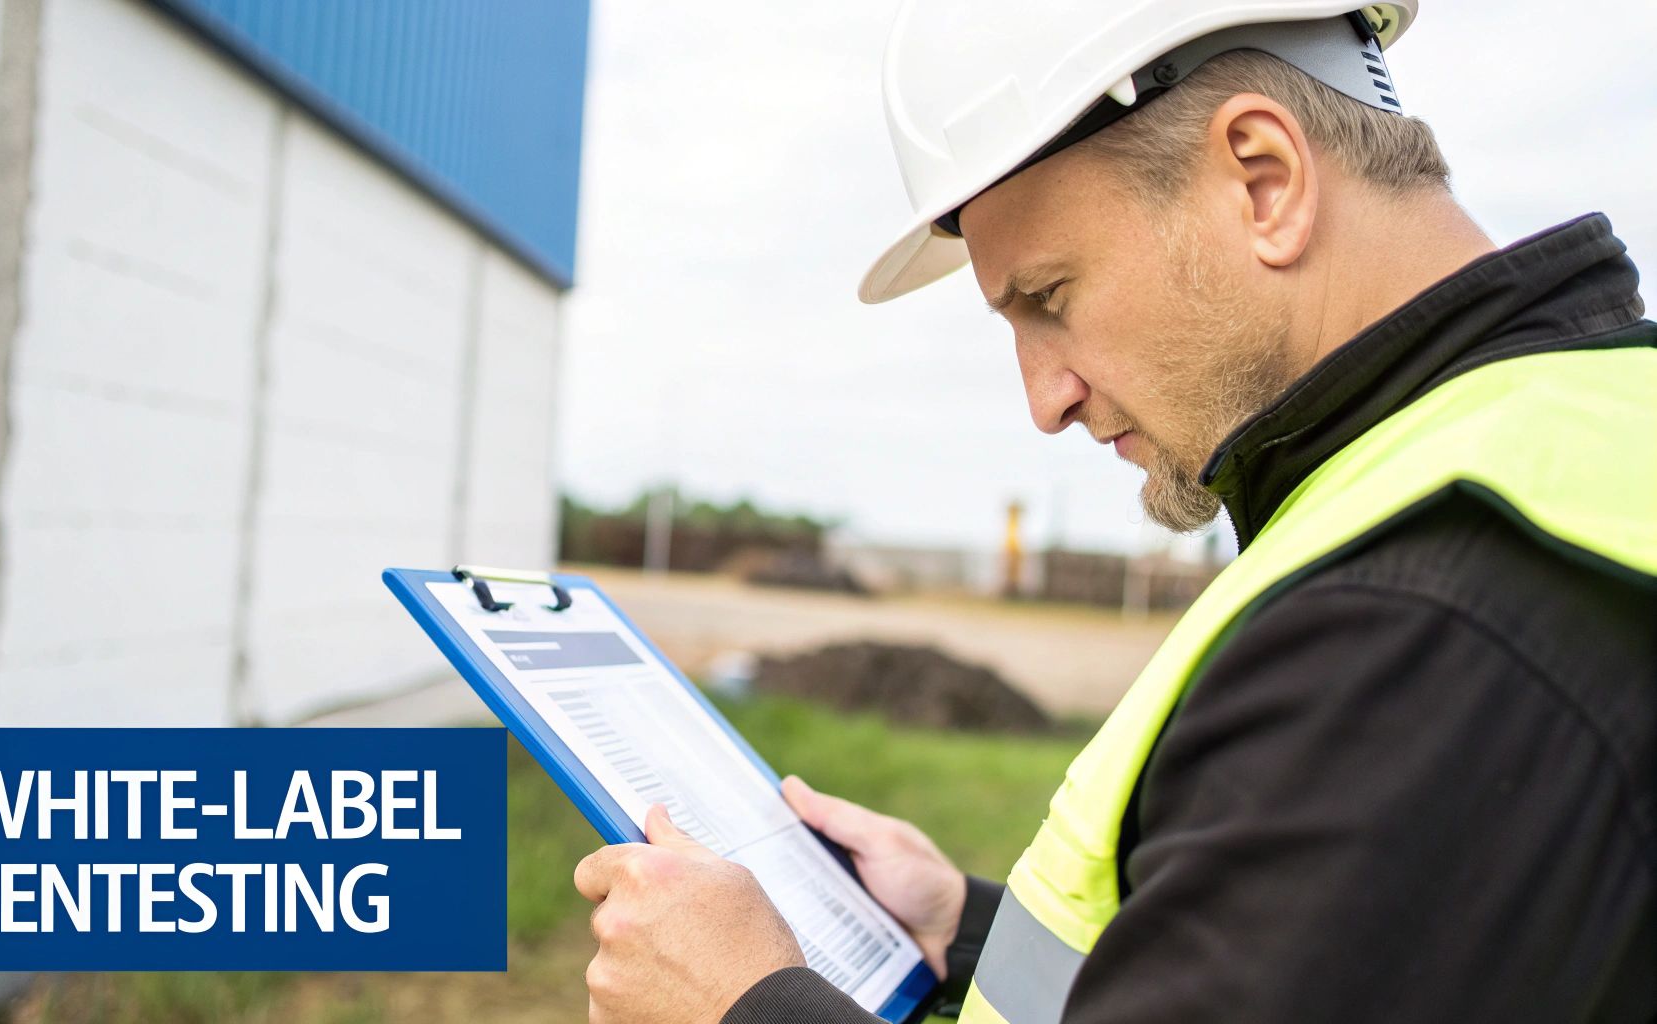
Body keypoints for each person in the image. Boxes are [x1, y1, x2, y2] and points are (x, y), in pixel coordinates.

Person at [572, 2, 1657, 1021]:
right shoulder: (1551, 450)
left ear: (1262, 180)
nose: (1043, 400)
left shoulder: (1413, 626)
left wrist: (743, 1001)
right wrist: (962, 927)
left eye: (1047, 297)